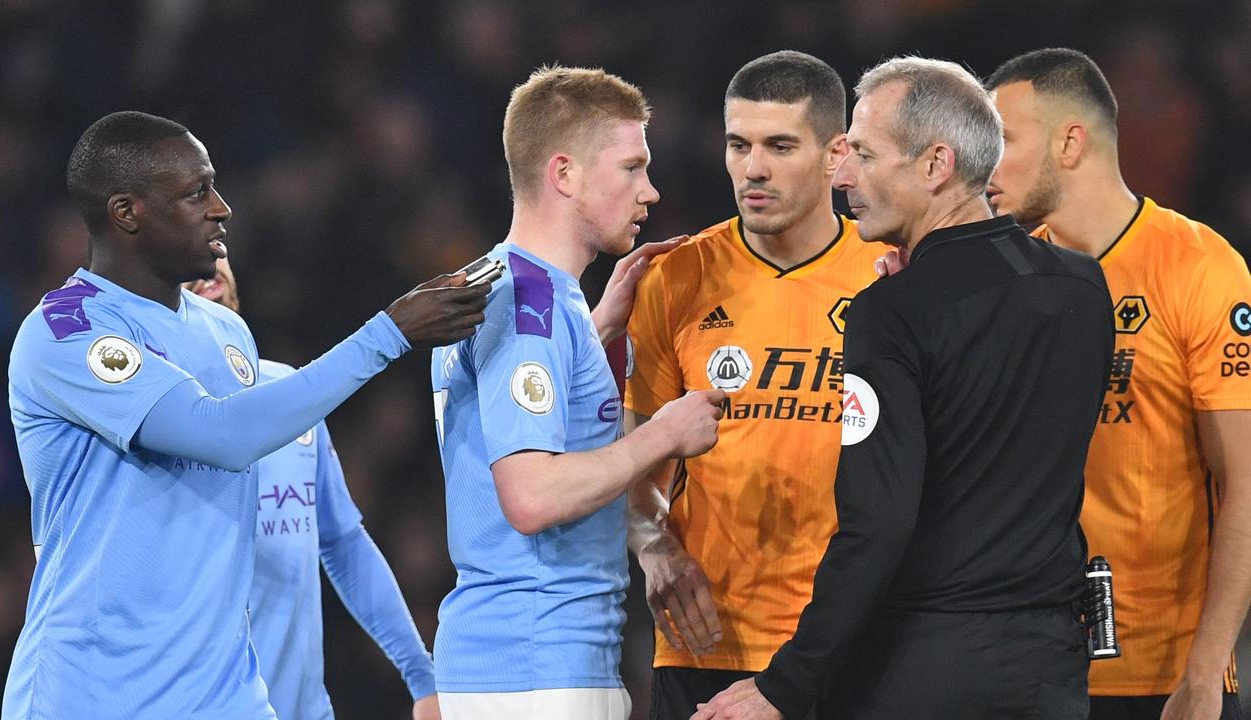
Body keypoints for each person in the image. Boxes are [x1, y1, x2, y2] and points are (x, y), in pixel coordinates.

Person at [4, 111, 487, 719]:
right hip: (94, 694)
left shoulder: (226, 330)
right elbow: (220, 434)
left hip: (226, 695)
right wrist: (387, 333)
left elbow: (337, 535)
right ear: (127, 213)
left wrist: (421, 674)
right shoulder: (65, 332)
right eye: (195, 192)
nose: (222, 207)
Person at [694, 57, 1114, 720]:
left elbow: (879, 522)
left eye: (863, 153)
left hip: (921, 670)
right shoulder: (1083, 287)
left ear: (935, 165)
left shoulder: (888, 313)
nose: (842, 175)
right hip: (1051, 671)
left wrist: (787, 683)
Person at [429, 66, 726, 720]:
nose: (649, 190)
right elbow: (532, 496)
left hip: (518, 663)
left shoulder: (508, 287)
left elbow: (513, 422)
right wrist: (665, 433)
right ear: (564, 174)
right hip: (535, 668)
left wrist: (592, 331)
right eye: (631, 168)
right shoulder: (529, 305)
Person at [986, 48, 1251, 720]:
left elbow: (1244, 482)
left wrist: (1205, 668)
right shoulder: (995, 279)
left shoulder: (1198, 268)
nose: (981, 164)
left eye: (1002, 141)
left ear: (1070, 142)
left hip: (1158, 676)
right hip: (1019, 668)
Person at [621, 50, 886, 720]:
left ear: (837, 155)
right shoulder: (675, 278)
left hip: (851, 643)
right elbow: (631, 453)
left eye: (779, 145)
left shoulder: (890, 276)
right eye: (739, 144)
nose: (753, 168)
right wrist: (654, 550)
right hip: (704, 643)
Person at [186, 258, 440, 720]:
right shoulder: (158, 421)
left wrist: (421, 676)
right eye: (183, 260)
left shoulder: (289, 393)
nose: (209, 264)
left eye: (218, 247)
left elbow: (343, 542)